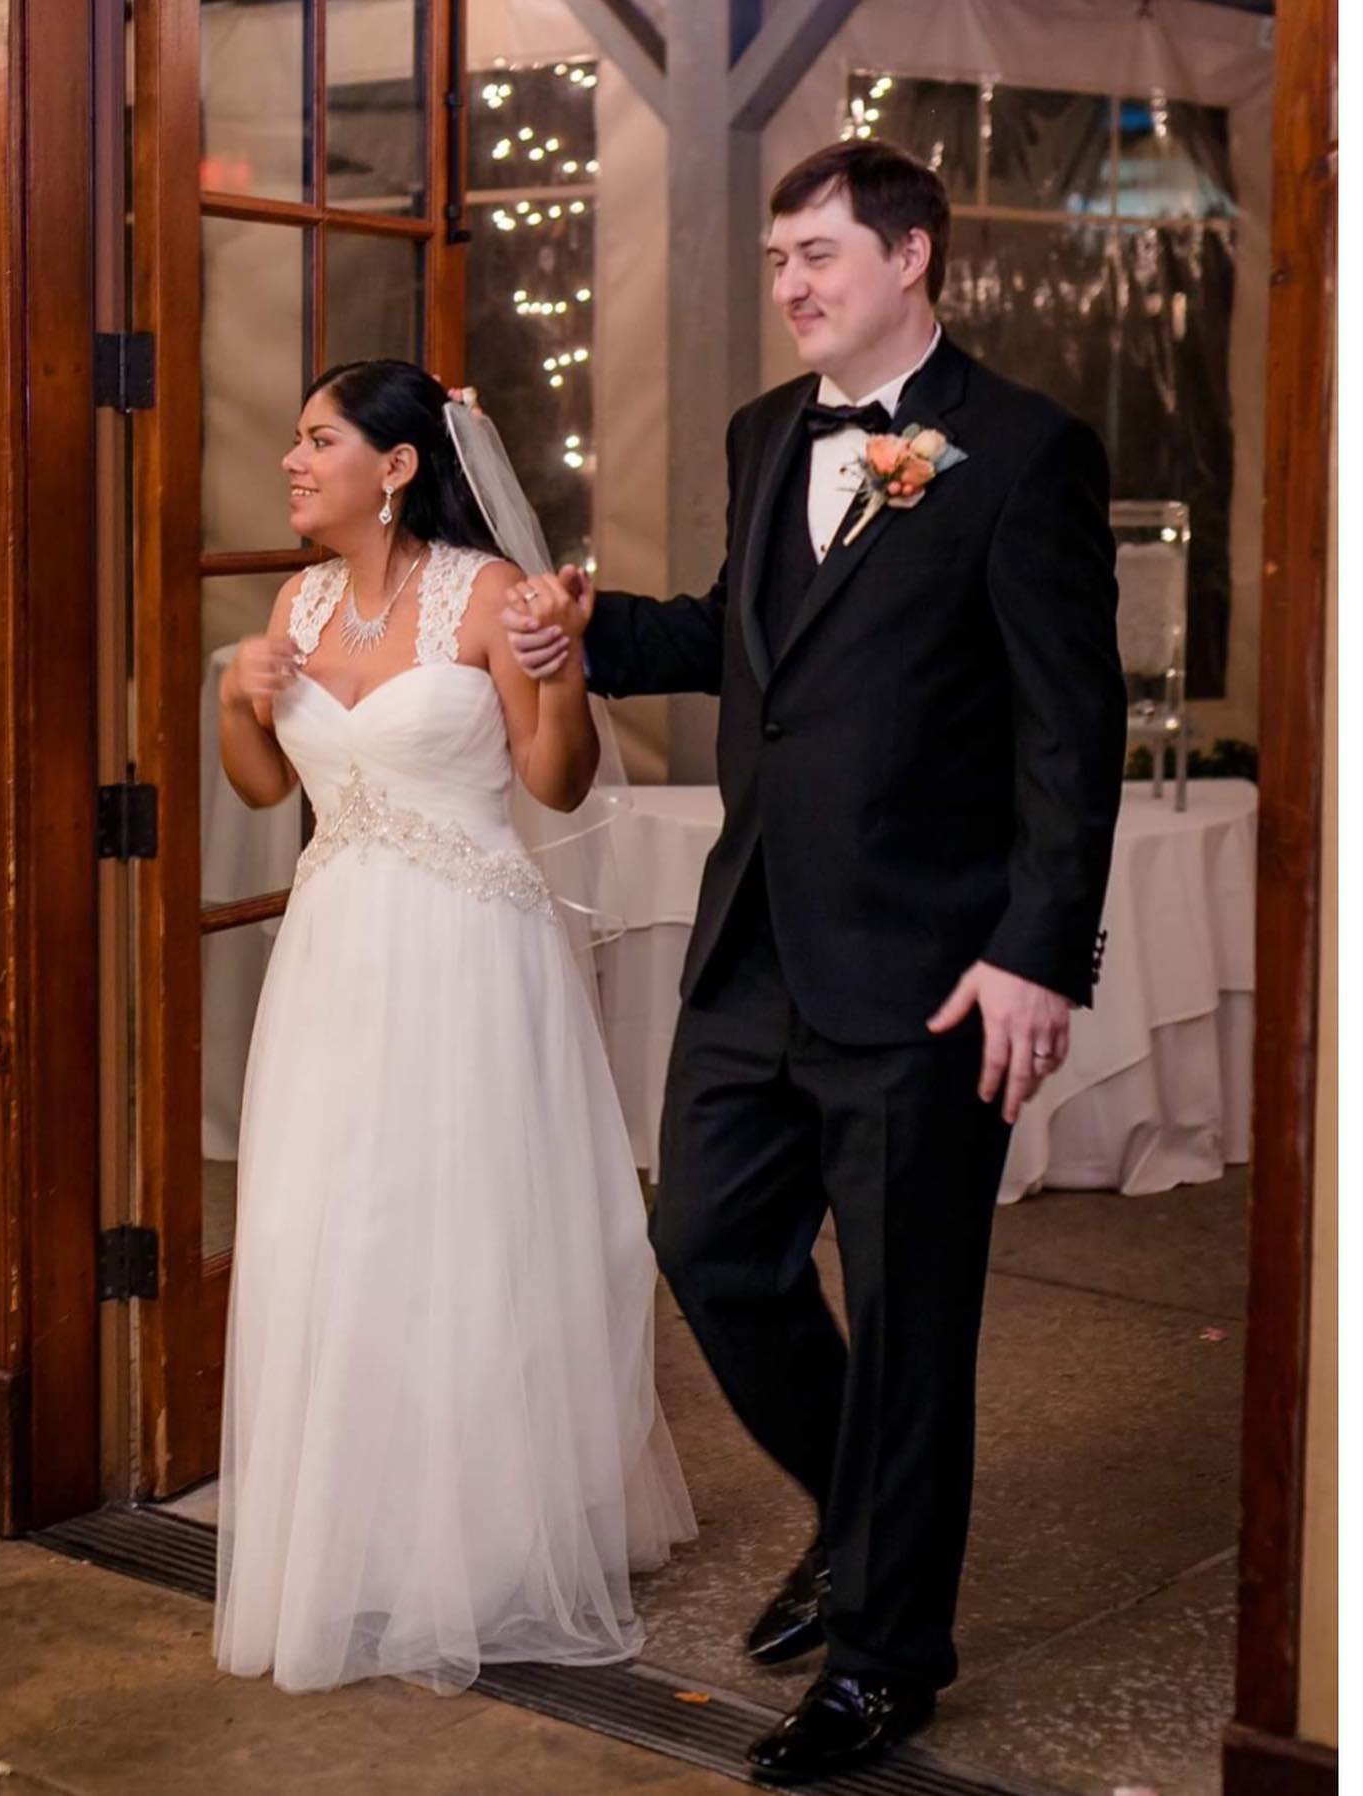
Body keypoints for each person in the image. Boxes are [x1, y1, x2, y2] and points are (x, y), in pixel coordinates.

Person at [505, 141, 1126, 1783]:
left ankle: (885, 1657)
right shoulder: (766, 431)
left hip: (932, 974)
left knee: (910, 1319)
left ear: (911, 257)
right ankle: (863, 1525)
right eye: (779, 257)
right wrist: (595, 628)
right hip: (758, 945)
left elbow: (1072, 736)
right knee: (710, 1249)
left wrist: (1038, 955)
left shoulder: (1026, 452)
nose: (790, 282)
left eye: (820, 254)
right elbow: (753, 638)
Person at [211, 358, 695, 1697]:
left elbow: (557, 778)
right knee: (336, 1226)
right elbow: (263, 789)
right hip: (335, 957)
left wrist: (558, 673)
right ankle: (360, 1529)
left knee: (469, 1230)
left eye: (319, 440)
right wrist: (240, 696)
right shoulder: (296, 602)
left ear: (396, 465)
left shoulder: (488, 597)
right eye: (296, 439)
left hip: (471, 952)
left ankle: (486, 1541)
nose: (294, 461)